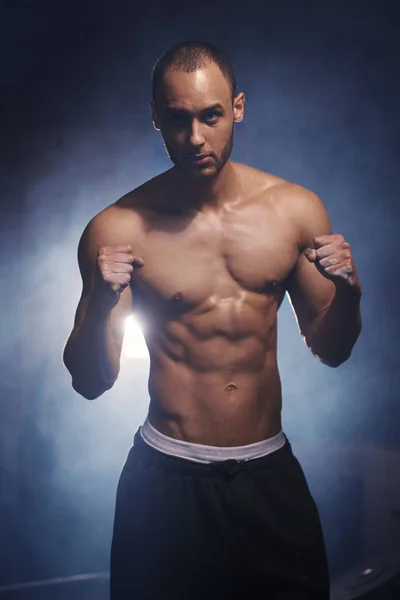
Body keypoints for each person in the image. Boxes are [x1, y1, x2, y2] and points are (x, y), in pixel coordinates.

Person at [63, 41, 362, 599]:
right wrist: (102, 303)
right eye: (178, 120)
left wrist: (349, 293)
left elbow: (333, 349)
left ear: (238, 108)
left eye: (211, 116)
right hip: (165, 481)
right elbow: (90, 381)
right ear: (156, 118)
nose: (195, 137)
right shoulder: (116, 227)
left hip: (268, 475)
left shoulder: (295, 211)